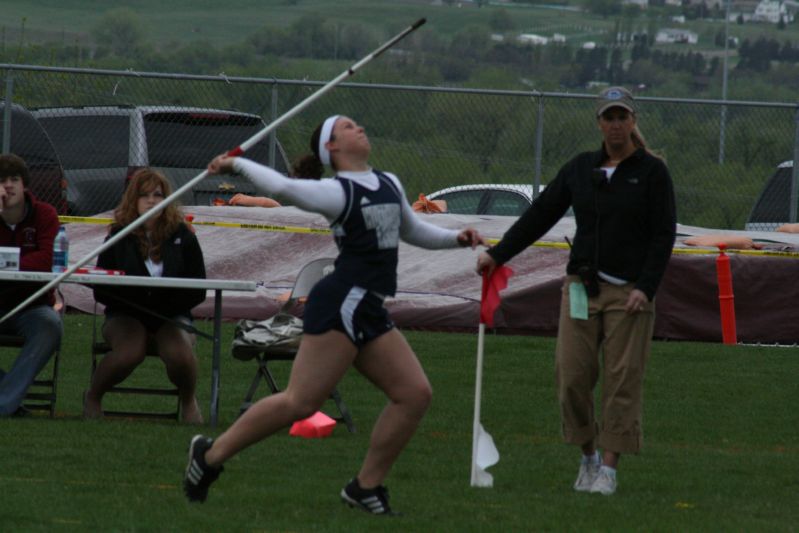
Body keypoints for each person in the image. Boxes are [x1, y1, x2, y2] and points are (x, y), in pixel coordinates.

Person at [183, 115, 484, 513]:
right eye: (347, 126)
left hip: (368, 305)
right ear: (332, 147)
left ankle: (365, 487)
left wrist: (455, 239)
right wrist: (236, 163)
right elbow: (283, 186)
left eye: (358, 123)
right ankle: (208, 456)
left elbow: (411, 230)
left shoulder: (389, 182)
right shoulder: (336, 192)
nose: (359, 127)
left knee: (414, 394)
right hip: (343, 300)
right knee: (301, 403)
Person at [476, 86, 676, 496]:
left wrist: (647, 287)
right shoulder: (580, 168)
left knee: (622, 380)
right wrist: (498, 255)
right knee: (571, 377)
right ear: (599, 123)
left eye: (623, 116)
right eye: (609, 117)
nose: (616, 124)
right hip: (582, 288)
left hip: (630, 295)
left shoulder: (652, 172)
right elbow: (541, 213)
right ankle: (586, 457)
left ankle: (609, 469)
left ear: (632, 121)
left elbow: (663, 234)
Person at [83, 168, 207, 424]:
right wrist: (136, 303)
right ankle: (93, 397)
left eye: (158, 194)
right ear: (133, 200)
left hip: (171, 316)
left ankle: (188, 400)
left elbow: (198, 288)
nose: (151, 200)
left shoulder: (184, 236)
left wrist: (166, 307)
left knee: (181, 356)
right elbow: (101, 286)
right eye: (144, 195)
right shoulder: (118, 235)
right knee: (130, 352)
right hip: (125, 316)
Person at [0, 153, 63, 417]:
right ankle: (9, 400)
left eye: (14, 179)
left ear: (25, 185)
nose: (8, 186)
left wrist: (7, 263)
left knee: (51, 325)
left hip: (33, 306)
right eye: (1, 180)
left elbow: (46, 260)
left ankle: (4, 404)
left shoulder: (45, 214)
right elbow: (34, 260)